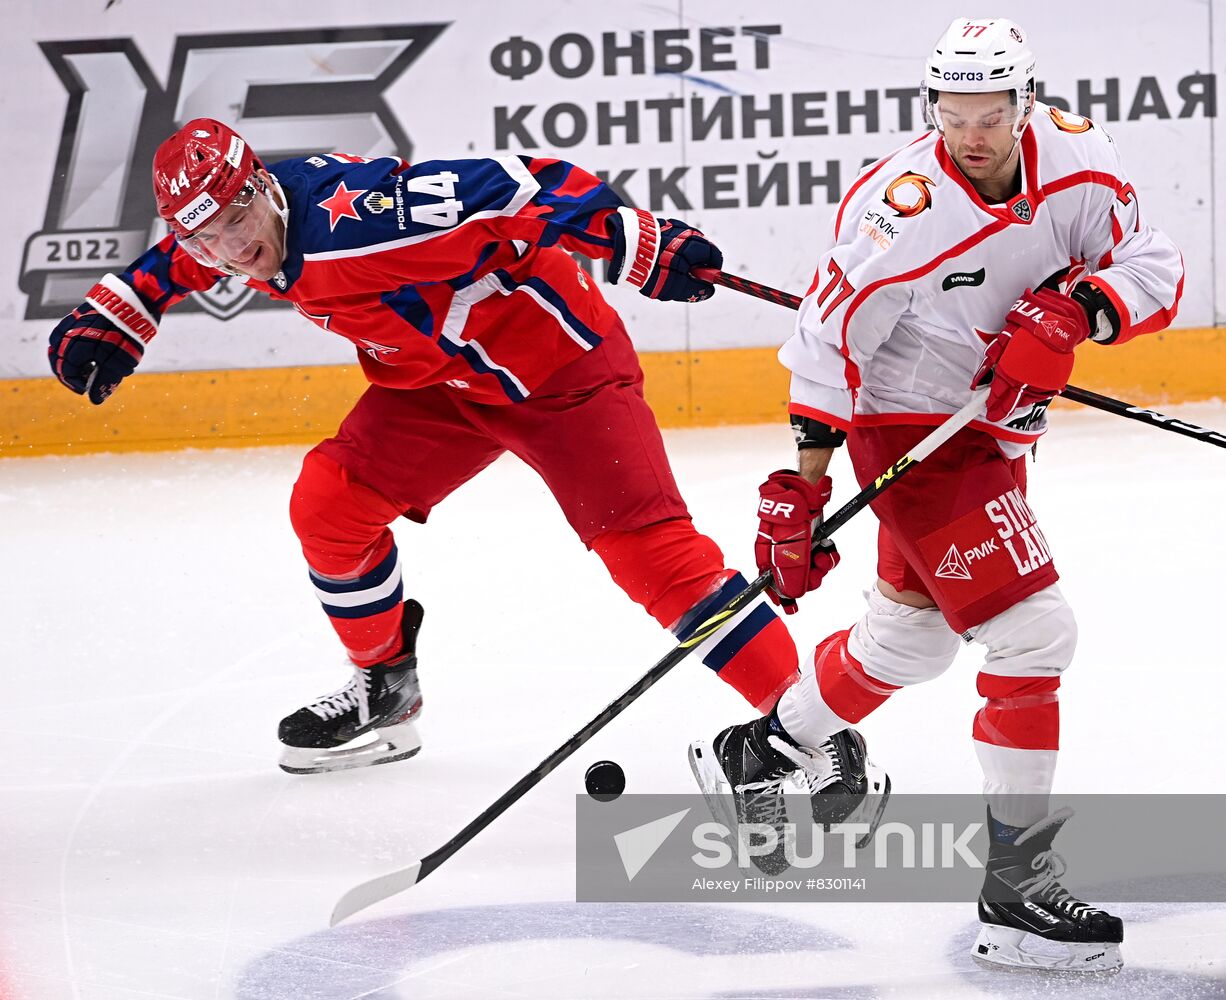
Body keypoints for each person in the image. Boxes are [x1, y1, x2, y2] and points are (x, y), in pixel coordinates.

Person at [46, 119, 821, 775]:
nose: (229, 251)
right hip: (437, 389)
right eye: (206, 238)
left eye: (234, 225)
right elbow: (184, 255)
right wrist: (124, 308)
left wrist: (626, 233)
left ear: (259, 191)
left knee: (651, 555)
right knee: (330, 503)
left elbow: (515, 186)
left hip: (561, 375)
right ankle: (384, 686)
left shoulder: (363, 223)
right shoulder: (238, 229)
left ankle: (810, 728)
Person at [689, 16, 1182, 972]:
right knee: (1037, 633)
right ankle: (1018, 889)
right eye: (952, 112)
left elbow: (1154, 266)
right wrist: (800, 489)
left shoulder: (1080, 160)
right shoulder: (896, 210)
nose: (970, 132)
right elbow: (829, 348)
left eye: (990, 112)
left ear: (1023, 102)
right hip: (911, 429)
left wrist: (1078, 307)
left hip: (993, 430)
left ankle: (765, 748)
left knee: (909, 641)